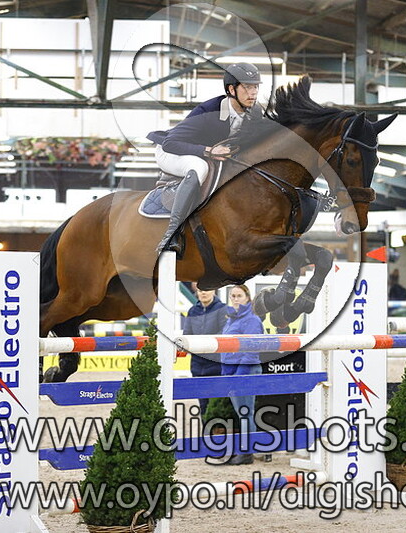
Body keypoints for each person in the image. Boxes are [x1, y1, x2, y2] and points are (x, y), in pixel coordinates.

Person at [147, 63, 263, 253]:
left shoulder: (255, 112)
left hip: (207, 154)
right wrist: (209, 151)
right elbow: (170, 143)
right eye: (247, 87)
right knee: (200, 168)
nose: (253, 93)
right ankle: (172, 234)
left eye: (256, 87)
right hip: (172, 151)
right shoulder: (208, 111)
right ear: (231, 89)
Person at [218, 284, 263, 466]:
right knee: (242, 412)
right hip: (233, 371)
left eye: (239, 296)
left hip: (245, 371)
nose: (235, 299)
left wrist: (238, 374)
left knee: (245, 412)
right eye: (233, 296)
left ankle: (247, 452)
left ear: (247, 298)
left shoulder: (251, 320)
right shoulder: (232, 318)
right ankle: (246, 449)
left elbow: (251, 350)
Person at [182, 284, 227, 418]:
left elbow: (223, 334)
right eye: (201, 290)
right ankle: (205, 430)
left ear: (214, 290)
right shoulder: (192, 311)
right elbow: (187, 335)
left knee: (216, 404)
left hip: (216, 364)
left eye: (207, 289)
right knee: (202, 405)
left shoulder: (222, 309)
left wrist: (203, 345)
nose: (203, 293)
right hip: (197, 364)